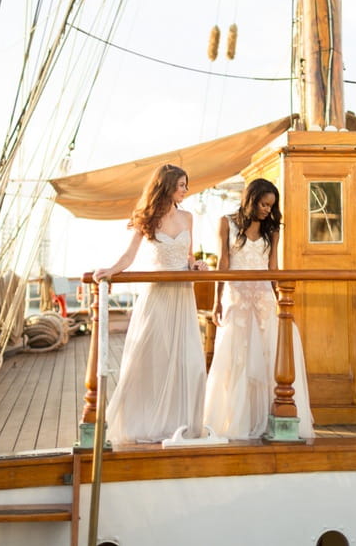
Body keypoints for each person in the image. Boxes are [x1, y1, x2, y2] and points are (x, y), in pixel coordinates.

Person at [94, 163, 208, 444]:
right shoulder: (146, 219)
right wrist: (110, 270)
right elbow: (129, 256)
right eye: (181, 185)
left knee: (189, 362)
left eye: (185, 185)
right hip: (157, 297)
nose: (185, 190)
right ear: (167, 186)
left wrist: (197, 265)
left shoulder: (188, 218)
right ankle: (145, 422)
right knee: (153, 360)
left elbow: (189, 256)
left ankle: (179, 424)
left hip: (182, 295)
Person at [203, 178, 314, 440]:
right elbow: (224, 262)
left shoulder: (272, 229)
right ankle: (235, 420)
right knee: (236, 357)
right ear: (251, 199)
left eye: (271, 205)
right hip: (236, 296)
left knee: (266, 357)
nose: (267, 209)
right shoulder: (226, 223)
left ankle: (266, 419)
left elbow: (272, 267)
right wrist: (217, 300)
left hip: (264, 297)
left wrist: (282, 301)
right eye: (264, 204)